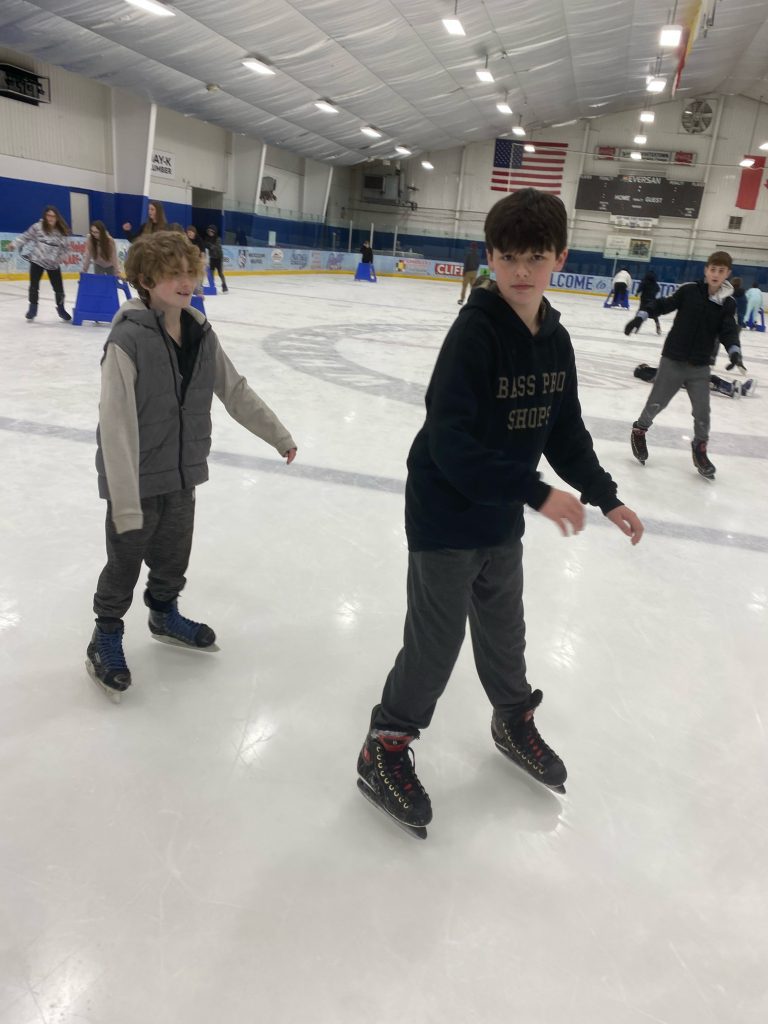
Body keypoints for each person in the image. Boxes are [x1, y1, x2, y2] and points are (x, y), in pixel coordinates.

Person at [356, 188, 644, 836]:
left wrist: (606, 494)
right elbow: (450, 441)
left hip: (498, 512)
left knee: (504, 633)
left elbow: (564, 431)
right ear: (490, 257)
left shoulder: (554, 340)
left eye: (534, 257)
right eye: (508, 257)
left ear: (559, 258)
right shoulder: (475, 333)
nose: (520, 271)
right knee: (435, 646)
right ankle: (386, 744)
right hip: (444, 510)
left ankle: (513, 720)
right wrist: (539, 493)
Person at [86, 231, 297, 701]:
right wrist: (122, 497)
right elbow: (115, 422)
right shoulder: (127, 339)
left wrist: (277, 434)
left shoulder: (201, 331)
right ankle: (105, 634)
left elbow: (233, 389)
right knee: (124, 562)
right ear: (145, 279)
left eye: (190, 273)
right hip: (136, 478)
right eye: (173, 274)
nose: (185, 282)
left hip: (183, 471)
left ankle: (163, 613)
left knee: (173, 555)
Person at [625, 251, 744, 478]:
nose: (716, 274)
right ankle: (639, 430)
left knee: (702, 412)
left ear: (728, 273)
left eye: (721, 271)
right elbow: (664, 304)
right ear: (706, 270)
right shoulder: (689, 290)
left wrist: (734, 352)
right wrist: (641, 315)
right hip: (673, 359)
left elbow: (728, 330)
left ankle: (700, 449)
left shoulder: (727, 303)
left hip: (700, 367)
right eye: (713, 269)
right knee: (656, 403)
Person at [10, 205, 72, 321]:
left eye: (53, 216)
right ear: (45, 216)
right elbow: (25, 237)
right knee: (34, 286)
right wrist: (14, 244)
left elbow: (66, 249)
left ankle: (61, 309)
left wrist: (60, 259)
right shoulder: (37, 227)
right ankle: (32, 309)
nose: (51, 218)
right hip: (37, 261)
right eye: (49, 215)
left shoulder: (61, 231)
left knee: (59, 289)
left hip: (53, 264)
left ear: (57, 217)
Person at [633, 363, 756, 398]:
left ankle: (742, 390)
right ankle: (732, 390)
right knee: (710, 381)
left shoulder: (655, 371)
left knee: (711, 379)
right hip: (684, 379)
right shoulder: (650, 373)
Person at [633, 269, 662, 334]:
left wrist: (637, 293)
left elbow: (640, 288)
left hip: (644, 300)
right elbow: (658, 290)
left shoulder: (644, 282)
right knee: (654, 315)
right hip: (652, 301)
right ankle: (658, 325)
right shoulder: (655, 284)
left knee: (640, 313)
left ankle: (636, 327)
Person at [204, 225, 228, 292]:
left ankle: (224, 285)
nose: (210, 233)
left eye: (211, 231)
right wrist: (208, 245)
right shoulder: (207, 239)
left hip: (218, 258)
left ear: (214, 232)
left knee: (220, 273)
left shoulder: (218, 239)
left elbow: (216, 248)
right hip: (212, 258)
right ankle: (212, 284)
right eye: (209, 231)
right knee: (211, 272)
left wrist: (210, 246)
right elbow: (206, 245)